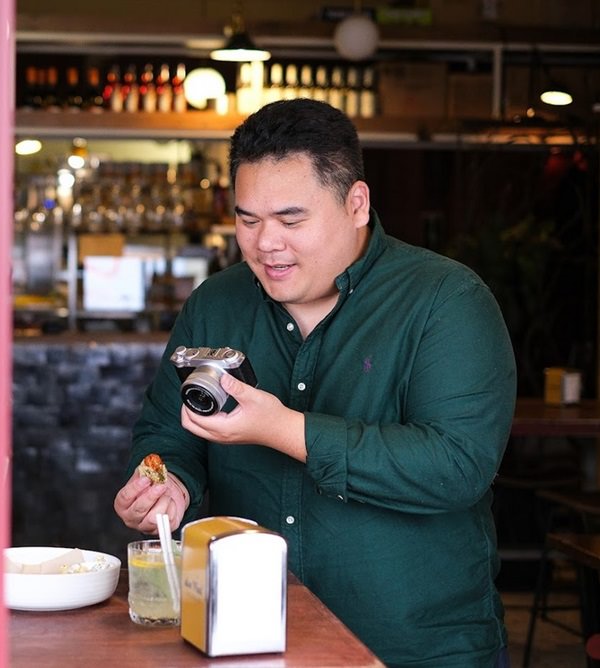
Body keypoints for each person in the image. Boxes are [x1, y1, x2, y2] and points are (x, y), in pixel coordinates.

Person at [113, 98, 517, 668]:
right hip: (244, 638)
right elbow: (167, 430)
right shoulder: (217, 304)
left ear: (356, 203)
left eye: (291, 219)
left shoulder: (444, 301)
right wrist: (167, 479)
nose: (265, 243)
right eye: (247, 220)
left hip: (415, 646)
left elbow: (456, 467)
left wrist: (284, 429)